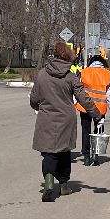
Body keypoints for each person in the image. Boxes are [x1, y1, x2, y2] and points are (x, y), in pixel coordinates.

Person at [30, 41, 104, 202]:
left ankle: (49, 183)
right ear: (67, 56)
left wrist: (38, 106)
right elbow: (83, 98)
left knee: (49, 153)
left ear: (54, 55)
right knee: (64, 152)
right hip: (66, 119)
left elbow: (34, 98)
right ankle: (64, 186)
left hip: (47, 118)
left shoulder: (42, 74)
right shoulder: (71, 76)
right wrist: (97, 115)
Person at [75, 54, 110, 166]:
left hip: (85, 107)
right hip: (100, 108)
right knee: (98, 132)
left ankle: (86, 157)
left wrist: (73, 102)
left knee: (85, 131)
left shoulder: (83, 72)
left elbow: (78, 90)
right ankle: (96, 156)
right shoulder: (107, 74)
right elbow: (109, 94)